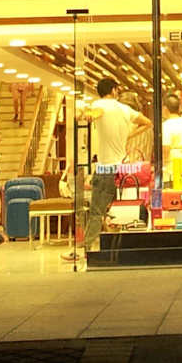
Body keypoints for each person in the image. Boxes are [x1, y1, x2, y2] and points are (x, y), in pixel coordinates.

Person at [65, 77, 151, 258]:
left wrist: (83, 114)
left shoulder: (99, 105)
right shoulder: (125, 109)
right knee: (106, 208)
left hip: (106, 168)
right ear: (113, 90)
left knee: (96, 211)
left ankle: (85, 249)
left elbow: (91, 113)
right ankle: (97, 244)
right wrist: (128, 135)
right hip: (123, 168)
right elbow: (147, 123)